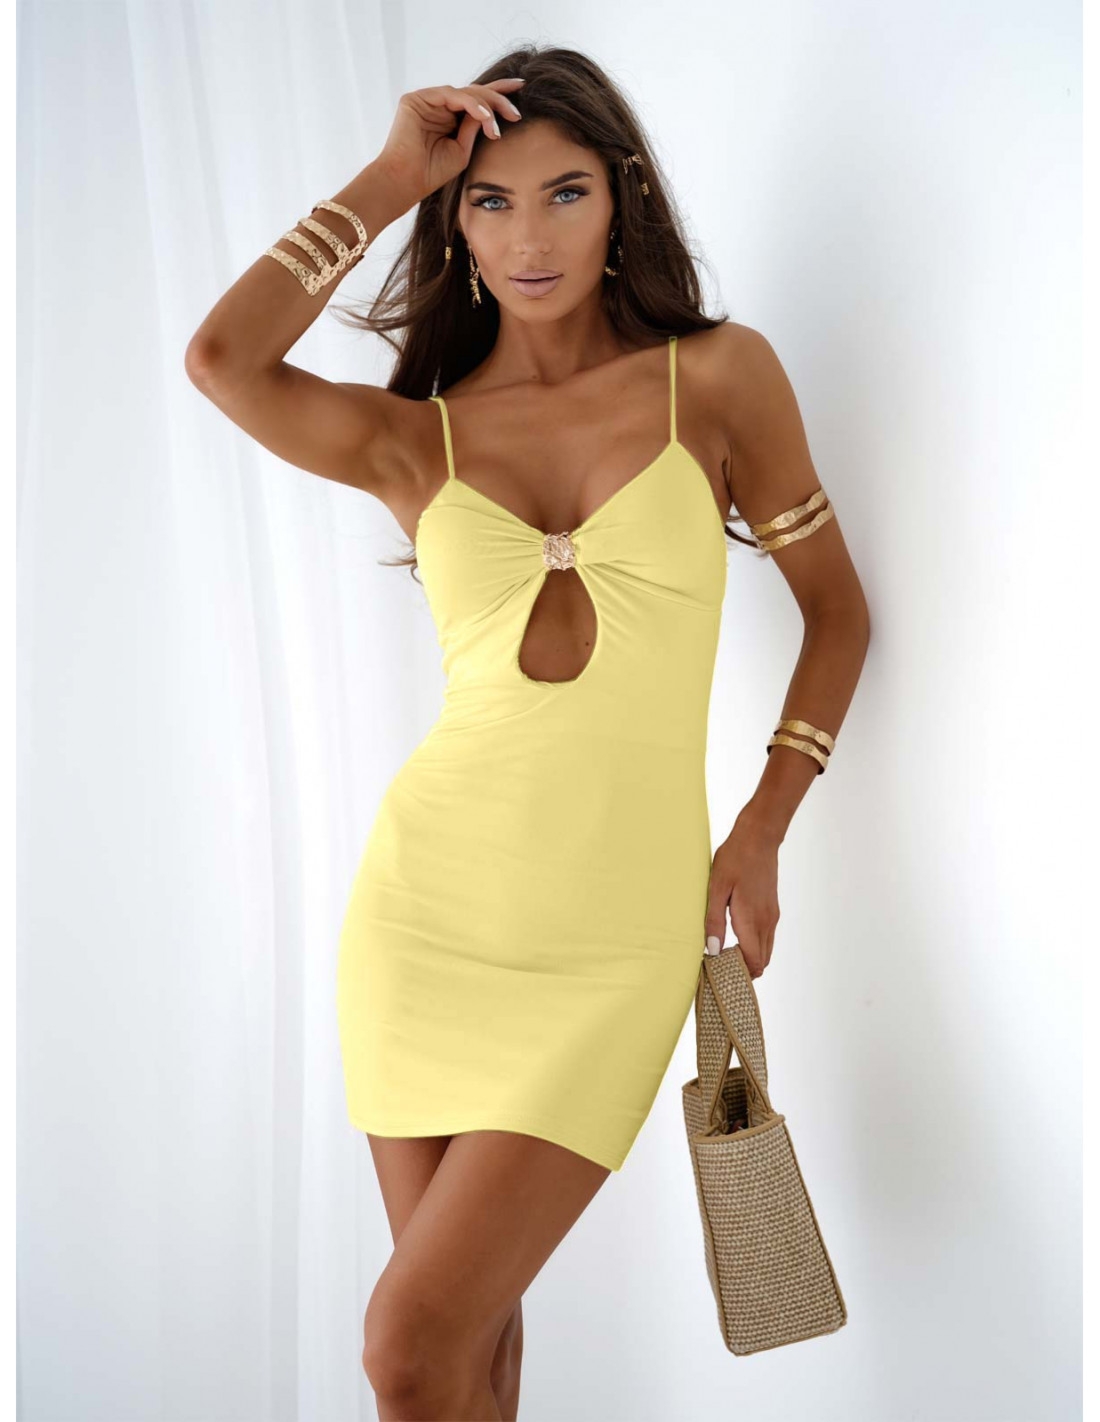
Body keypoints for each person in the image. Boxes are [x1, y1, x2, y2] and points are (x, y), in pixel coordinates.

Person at [185, 43, 870, 1422]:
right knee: (458, 1353)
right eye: (490, 202)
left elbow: (838, 614)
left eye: (565, 193)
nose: (530, 237)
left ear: (623, 200)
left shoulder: (717, 379)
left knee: (408, 1342)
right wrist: (392, 175)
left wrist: (761, 827)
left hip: (614, 932)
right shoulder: (417, 440)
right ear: (456, 220)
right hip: (427, 916)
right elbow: (222, 360)